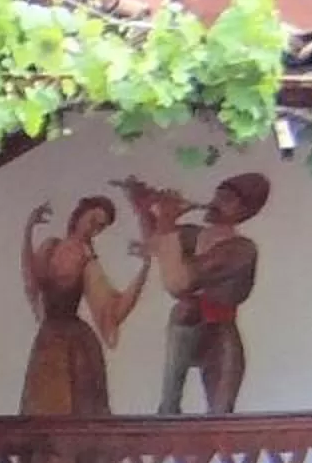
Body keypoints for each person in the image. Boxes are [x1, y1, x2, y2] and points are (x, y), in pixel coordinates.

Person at [125, 171, 271, 415]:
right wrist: (143, 208)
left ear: (245, 211)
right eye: (219, 195)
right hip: (185, 326)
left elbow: (180, 282)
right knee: (169, 407)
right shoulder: (195, 235)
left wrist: (167, 220)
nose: (215, 202)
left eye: (227, 199)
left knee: (220, 415)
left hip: (219, 332)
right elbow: (159, 242)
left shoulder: (241, 249)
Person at [19, 194, 147, 416]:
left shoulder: (87, 257)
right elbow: (32, 281)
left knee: (75, 409)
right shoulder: (51, 246)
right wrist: (29, 228)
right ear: (80, 213)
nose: (94, 228)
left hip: (75, 345)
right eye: (93, 219)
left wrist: (144, 268)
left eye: (101, 226)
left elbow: (110, 307)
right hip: (48, 340)